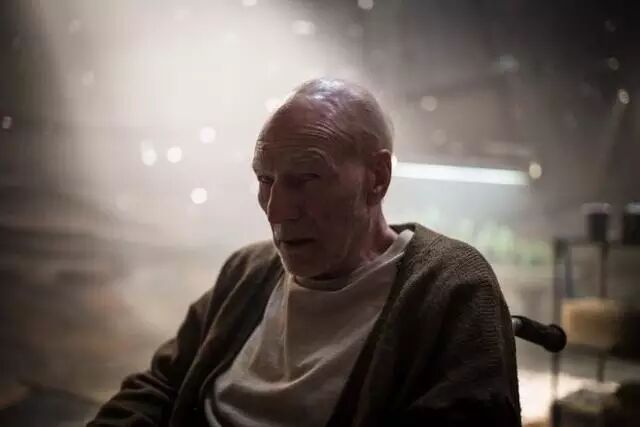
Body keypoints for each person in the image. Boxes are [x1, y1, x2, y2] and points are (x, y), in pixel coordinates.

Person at [88, 78, 521, 427]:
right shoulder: (248, 271)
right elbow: (161, 385)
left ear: (377, 177)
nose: (276, 210)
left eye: (306, 178)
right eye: (266, 180)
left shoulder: (450, 287)